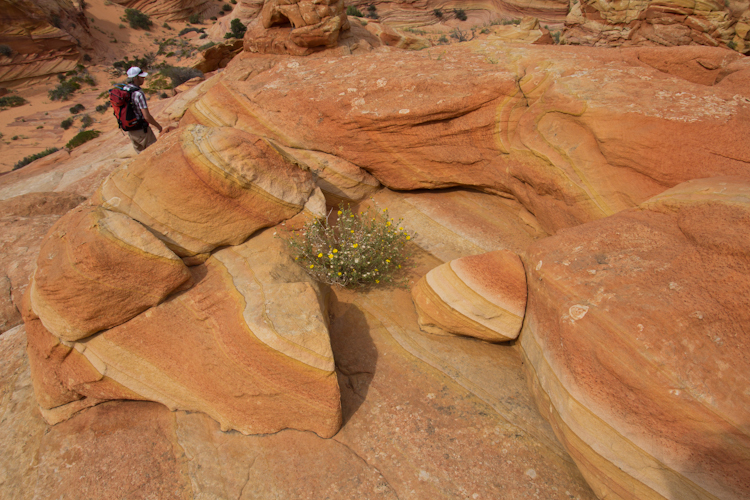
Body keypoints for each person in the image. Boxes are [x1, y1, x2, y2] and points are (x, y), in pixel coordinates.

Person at [123, 66, 163, 153]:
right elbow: (146, 116)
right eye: (142, 77)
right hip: (142, 130)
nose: (143, 79)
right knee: (154, 154)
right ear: (135, 78)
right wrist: (159, 127)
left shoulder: (125, 90)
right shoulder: (138, 93)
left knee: (141, 157)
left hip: (131, 131)